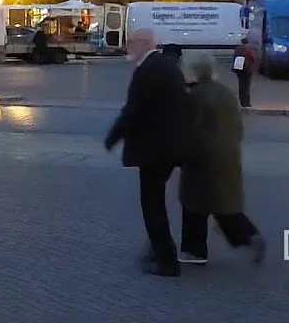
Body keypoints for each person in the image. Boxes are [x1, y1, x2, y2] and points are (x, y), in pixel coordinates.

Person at [104, 28, 194, 277]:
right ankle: (159, 249)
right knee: (155, 202)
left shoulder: (148, 70)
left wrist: (113, 137)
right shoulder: (165, 66)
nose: (128, 47)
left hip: (154, 149)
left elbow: (133, 110)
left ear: (144, 43)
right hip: (168, 147)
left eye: (131, 42)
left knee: (152, 205)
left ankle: (166, 260)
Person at [178, 53, 266, 266]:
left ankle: (195, 250)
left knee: (194, 206)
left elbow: (190, 130)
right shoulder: (225, 92)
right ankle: (247, 235)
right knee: (222, 206)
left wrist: (180, 154)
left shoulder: (196, 96)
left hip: (203, 160)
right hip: (227, 156)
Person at [232, 37, 256, 108]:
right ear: (247, 42)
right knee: (246, 86)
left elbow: (234, 58)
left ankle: (242, 101)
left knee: (241, 85)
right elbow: (252, 59)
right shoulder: (249, 49)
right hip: (247, 70)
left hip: (239, 69)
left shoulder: (237, 49)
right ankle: (247, 102)